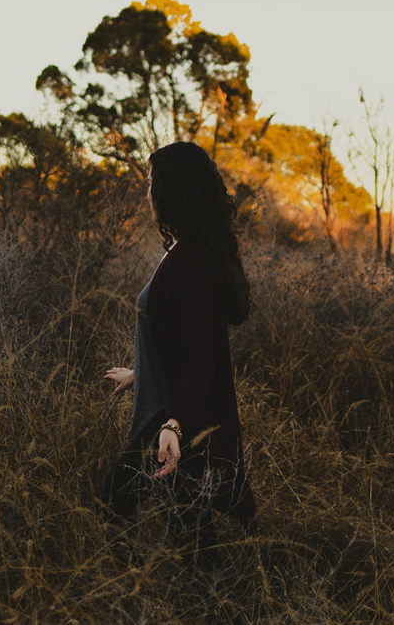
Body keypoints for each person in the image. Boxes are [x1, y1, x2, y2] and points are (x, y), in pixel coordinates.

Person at [102, 141, 258, 558]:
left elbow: (200, 363)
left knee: (183, 544)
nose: (148, 193)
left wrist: (173, 426)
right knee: (183, 538)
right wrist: (140, 374)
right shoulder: (186, 253)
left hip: (177, 431)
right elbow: (182, 343)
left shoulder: (188, 263)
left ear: (171, 191)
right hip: (172, 420)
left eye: (152, 183)